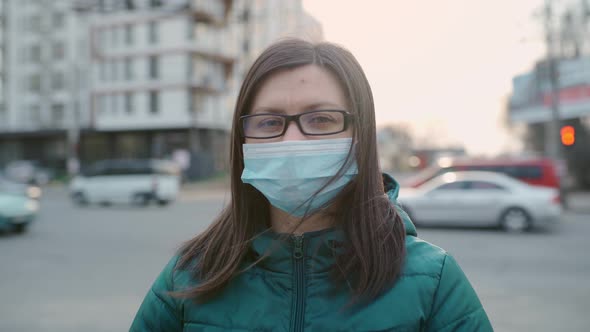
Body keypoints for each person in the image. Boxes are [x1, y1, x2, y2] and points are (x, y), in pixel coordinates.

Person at [130, 38, 493, 331]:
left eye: (320, 119)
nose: (292, 141)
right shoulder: (190, 275)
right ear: (243, 142)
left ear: (360, 135)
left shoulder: (432, 282)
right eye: (270, 122)